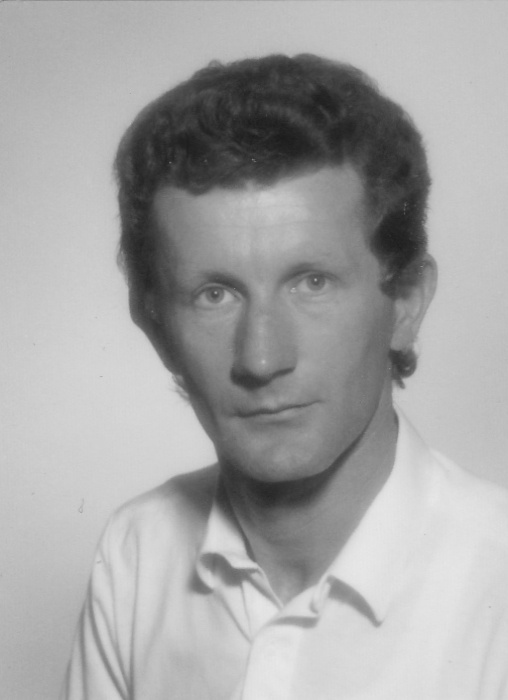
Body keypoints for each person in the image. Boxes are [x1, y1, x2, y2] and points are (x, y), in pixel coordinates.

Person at [62, 54, 508, 699]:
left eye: (312, 283)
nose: (262, 358)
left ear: (406, 303)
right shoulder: (137, 553)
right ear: (156, 330)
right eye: (215, 295)